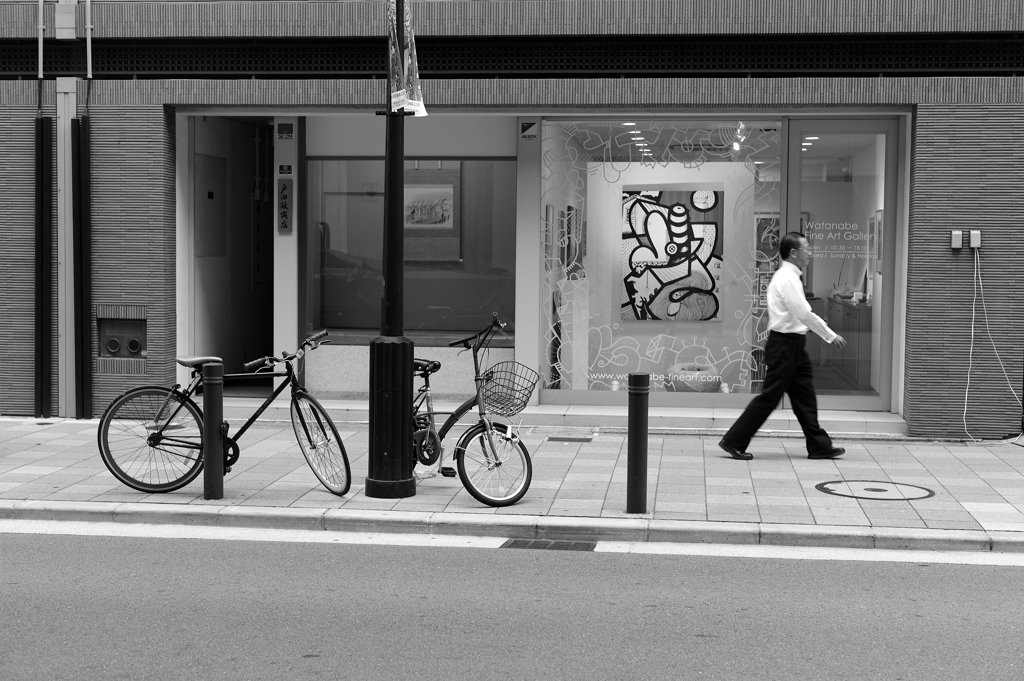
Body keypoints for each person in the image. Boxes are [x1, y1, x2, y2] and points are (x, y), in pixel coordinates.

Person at [719, 232, 848, 460]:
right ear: (794, 252)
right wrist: (830, 335)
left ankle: (819, 445)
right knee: (769, 398)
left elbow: (800, 315)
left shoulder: (790, 277)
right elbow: (802, 313)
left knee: (805, 396)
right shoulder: (787, 278)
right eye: (806, 249)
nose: (810, 253)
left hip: (793, 345)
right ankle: (733, 441)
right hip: (784, 346)